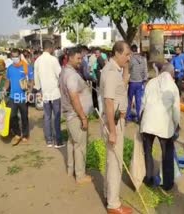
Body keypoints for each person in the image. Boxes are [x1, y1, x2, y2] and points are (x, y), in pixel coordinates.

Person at [100, 41, 132, 214]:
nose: (128, 58)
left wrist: (126, 67)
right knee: (115, 163)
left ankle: (108, 194)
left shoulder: (113, 70)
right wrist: (113, 131)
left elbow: (123, 85)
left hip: (113, 120)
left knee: (110, 161)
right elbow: (109, 101)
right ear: (117, 53)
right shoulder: (111, 73)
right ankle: (113, 204)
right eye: (126, 55)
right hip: (114, 122)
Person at [140, 63, 180, 191]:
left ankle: (149, 178)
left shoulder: (151, 83)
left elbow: (142, 103)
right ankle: (167, 183)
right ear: (172, 73)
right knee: (167, 154)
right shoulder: (173, 86)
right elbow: (176, 110)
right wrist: (176, 125)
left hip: (148, 123)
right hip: (164, 125)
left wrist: (141, 121)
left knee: (148, 152)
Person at [59, 47, 93, 184]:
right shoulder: (71, 75)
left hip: (70, 114)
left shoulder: (65, 72)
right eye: (78, 58)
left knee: (72, 142)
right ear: (70, 58)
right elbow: (74, 97)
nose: (81, 61)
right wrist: (83, 117)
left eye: (81, 58)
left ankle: (70, 169)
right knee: (79, 145)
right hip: (75, 115)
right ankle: (80, 175)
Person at [34, 41, 63, 148]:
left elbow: (36, 79)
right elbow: (59, 74)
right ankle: (58, 141)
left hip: (45, 93)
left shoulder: (37, 61)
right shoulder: (53, 59)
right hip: (55, 92)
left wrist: (38, 90)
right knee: (56, 116)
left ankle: (49, 140)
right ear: (50, 48)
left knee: (47, 117)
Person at [4, 48, 34, 145]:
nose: (15, 58)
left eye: (16, 56)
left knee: (24, 116)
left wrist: (29, 92)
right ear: (11, 57)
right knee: (12, 116)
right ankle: (17, 133)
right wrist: (4, 89)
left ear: (20, 56)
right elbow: (8, 81)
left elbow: (31, 80)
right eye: (13, 56)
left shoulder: (26, 67)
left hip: (23, 97)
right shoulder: (9, 68)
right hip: (12, 97)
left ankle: (25, 135)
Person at [126, 44, 148, 123]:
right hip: (140, 82)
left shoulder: (131, 59)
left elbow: (128, 69)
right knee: (139, 101)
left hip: (132, 82)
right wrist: (144, 80)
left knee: (129, 100)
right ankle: (139, 118)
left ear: (131, 50)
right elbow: (145, 71)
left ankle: (127, 117)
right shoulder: (143, 59)